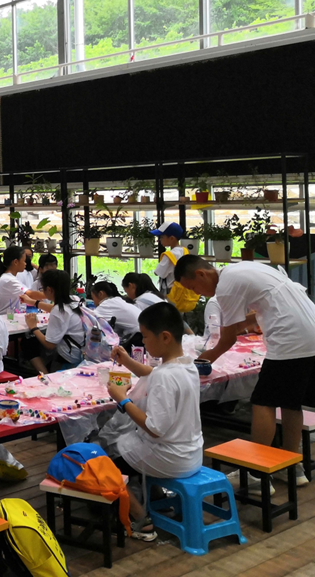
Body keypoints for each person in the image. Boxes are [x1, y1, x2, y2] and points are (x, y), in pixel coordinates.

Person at [177, 254, 315, 484]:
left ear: (201, 274)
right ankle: (291, 466)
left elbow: (226, 341)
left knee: (263, 402)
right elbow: (260, 310)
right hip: (310, 331)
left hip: (289, 337)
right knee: (291, 403)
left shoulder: (226, 287)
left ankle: (256, 474)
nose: (197, 293)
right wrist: (238, 325)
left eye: (193, 287)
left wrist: (200, 362)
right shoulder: (241, 269)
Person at [107, 302, 204, 539]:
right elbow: (154, 374)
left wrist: (122, 400)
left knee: (106, 464)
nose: (143, 342)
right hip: (193, 453)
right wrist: (127, 361)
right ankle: (157, 497)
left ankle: (140, 518)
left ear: (165, 337)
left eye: (146, 336)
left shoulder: (165, 376)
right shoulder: (187, 365)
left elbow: (154, 428)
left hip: (170, 457)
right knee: (124, 444)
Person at [24, 269, 85, 373]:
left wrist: (33, 327)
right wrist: (32, 302)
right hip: (80, 351)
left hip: (68, 357)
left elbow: (50, 345)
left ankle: (46, 376)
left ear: (49, 289)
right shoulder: (75, 299)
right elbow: (54, 308)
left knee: (29, 343)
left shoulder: (58, 311)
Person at [0, 246, 44, 314]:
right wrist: (51, 295)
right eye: (24, 261)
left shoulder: (10, 278)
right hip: (5, 317)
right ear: (16, 262)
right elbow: (30, 294)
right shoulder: (9, 280)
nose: (25, 264)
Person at [151, 222, 186, 294]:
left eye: (162, 237)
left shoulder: (169, 255)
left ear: (172, 238)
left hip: (171, 292)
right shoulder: (184, 251)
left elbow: (158, 272)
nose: (159, 240)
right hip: (183, 291)